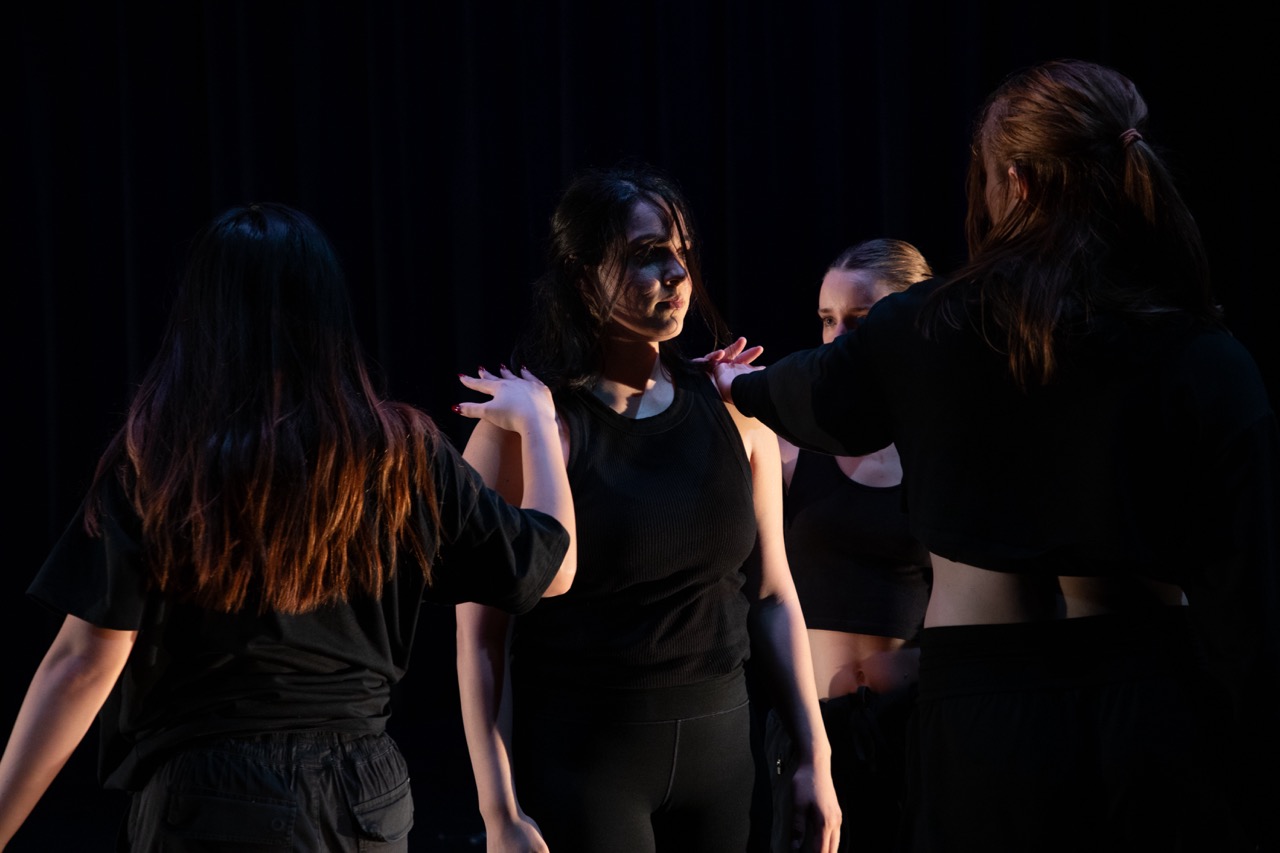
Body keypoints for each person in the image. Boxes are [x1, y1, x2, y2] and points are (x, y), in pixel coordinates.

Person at [706, 59, 1279, 851]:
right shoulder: (1203, 353)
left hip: (987, 711)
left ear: (1013, 179)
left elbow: (814, 395)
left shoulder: (925, 328)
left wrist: (742, 386)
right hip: (1150, 700)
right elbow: (1248, 599)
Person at [0, 202, 577, 852]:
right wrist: (537, 425)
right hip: (365, 796)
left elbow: (83, 663)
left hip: (213, 796)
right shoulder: (401, 454)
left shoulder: (161, 458)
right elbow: (553, 569)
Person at [455, 163, 841, 853]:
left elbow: (774, 594)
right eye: (644, 255)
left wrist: (816, 755)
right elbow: (482, 638)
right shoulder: (525, 427)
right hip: (586, 759)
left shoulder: (732, 410)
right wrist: (498, 809)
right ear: (582, 277)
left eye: (681, 252)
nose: (675, 273)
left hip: (722, 748)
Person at [766, 239, 933, 853]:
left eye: (857, 323)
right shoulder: (787, 443)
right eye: (826, 320)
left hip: (914, 723)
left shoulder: (936, 446)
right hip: (816, 728)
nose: (835, 340)